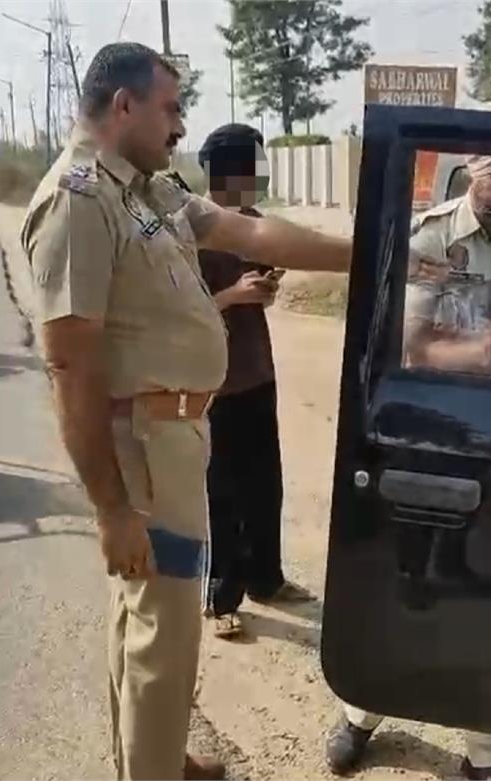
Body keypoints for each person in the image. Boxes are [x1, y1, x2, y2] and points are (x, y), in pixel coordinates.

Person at [20, 42, 350, 781]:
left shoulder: (144, 189)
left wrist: (369, 251)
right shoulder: (79, 198)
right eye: (170, 109)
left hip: (171, 438)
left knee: (145, 623)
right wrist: (111, 509)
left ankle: (155, 758)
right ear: (124, 105)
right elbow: (70, 366)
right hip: (143, 449)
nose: (180, 126)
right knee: (163, 635)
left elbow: (248, 232)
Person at [326, 155, 491, 781]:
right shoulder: (430, 236)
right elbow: (409, 345)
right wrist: (479, 356)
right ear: (472, 171)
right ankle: (363, 709)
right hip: (438, 437)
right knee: (412, 585)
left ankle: (488, 754)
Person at [192, 123, 314, 640]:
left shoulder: (254, 225)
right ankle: (220, 596)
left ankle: (267, 578)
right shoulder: (191, 228)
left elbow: (272, 269)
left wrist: (265, 286)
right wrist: (232, 296)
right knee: (222, 495)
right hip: (213, 385)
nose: (260, 179)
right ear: (231, 172)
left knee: (266, 486)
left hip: (257, 374)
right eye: (255, 168)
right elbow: (175, 311)